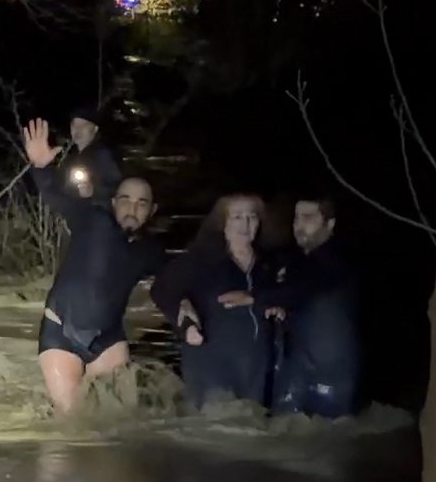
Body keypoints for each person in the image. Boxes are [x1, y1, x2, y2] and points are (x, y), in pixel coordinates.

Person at [23, 118, 164, 414]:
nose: (132, 208)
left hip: (108, 339)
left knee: (120, 423)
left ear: (152, 210)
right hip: (61, 332)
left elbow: (177, 280)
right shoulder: (92, 220)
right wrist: (41, 167)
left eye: (142, 203)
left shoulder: (149, 251)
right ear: (113, 203)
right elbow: (56, 197)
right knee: (73, 424)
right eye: (125, 200)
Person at [151, 194, 282, 410]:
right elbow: (162, 290)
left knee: (253, 424)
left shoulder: (269, 263)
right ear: (223, 224)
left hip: (256, 363)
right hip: (211, 362)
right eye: (237, 217)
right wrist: (184, 319)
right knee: (215, 425)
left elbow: (285, 294)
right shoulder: (201, 259)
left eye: (252, 217)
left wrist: (276, 304)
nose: (245, 224)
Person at [255, 195, 361, 418]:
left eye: (308, 218)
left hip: (330, 371)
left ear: (329, 224)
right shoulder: (297, 261)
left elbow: (305, 287)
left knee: (328, 430)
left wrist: (254, 297)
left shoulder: (337, 259)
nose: (299, 225)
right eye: (296, 218)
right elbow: (298, 295)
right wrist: (282, 309)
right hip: (298, 365)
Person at [58, 106, 123, 203]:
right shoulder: (69, 157)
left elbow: (117, 187)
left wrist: (93, 191)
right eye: (74, 125)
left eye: (83, 125)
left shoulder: (103, 155)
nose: (78, 129)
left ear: (95, 129)